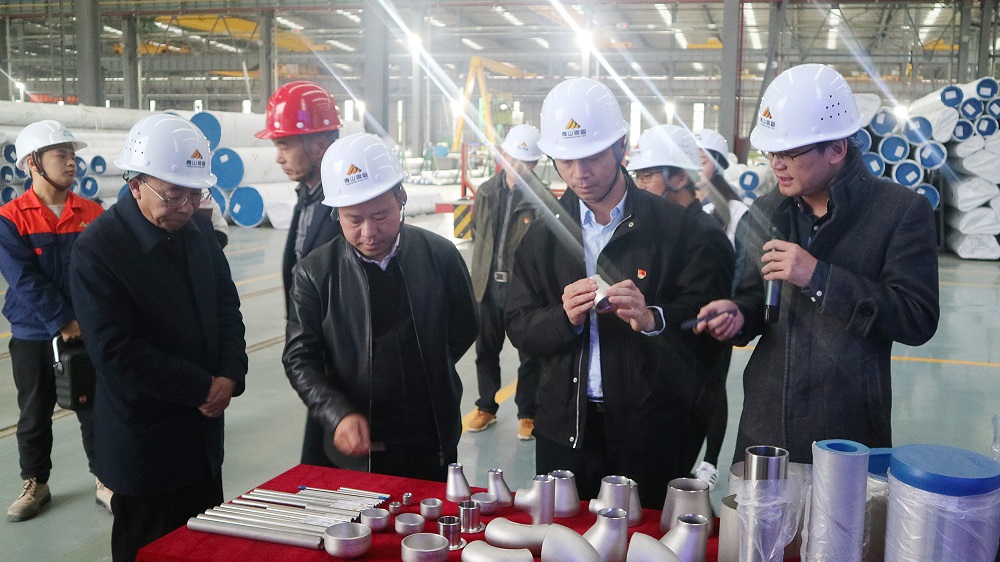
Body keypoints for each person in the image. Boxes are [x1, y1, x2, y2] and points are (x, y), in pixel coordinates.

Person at [504, 78, 733, 508]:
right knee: (561, 535)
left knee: (645, 537)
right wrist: (562, 318)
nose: (580, 174)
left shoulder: (675, 228)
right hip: (564, 432)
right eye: (566, 161)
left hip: (649, 431)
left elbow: (703, 320)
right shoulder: (542, 237)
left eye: (592, 157)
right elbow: (519, 326)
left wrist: (653, 318)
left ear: (620, 147)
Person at [695, 64, 940, 464]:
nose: (776, 164)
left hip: (846, 433)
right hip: (765, 426)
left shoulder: (899, 212)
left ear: (837, 149)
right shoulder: (767, 210)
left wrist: (818, 276)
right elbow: (756, 300)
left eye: (789, 153)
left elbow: (917, 318)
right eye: (771, 152)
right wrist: (737, 315)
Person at [70, 114, 248, 561]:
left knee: (204, 545)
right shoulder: (99, 249)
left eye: (196, 194)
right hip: (145, 444)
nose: (187, 206)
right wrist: (201, 387)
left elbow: (226, 305)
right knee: (149, 550)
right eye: (174, 194)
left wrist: (230, 373)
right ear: (135, 185)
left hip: (202, 437)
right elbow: (115, 350)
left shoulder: (198, 232)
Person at [283, 133, 477, 482]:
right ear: (336, 214)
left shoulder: (441, 256)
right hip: (356, 447)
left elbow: (465, 326)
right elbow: (300, 358)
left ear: (401, 198)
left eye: (380, 215)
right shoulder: (315, 273)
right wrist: (337, 414)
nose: (369, 232)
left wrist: (429, 367)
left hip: (431, 437)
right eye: (354, 220)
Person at [0, 120, 109, 522]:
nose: (71, 162)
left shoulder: (92, 213)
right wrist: (63, 320)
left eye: (72, 154)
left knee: (94, 409)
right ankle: (36, 483)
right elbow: (23, 278)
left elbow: (103, 273)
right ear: (33, 162)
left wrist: (90, 320)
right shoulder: (10, 218)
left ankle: (105, 479)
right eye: (61, 154)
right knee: (33, 412)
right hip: (33, 333)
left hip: (86, 331)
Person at [627, 124, 735, 490]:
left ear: (678, 178)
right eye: (637, 176)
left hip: (682, 395)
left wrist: (651, 317)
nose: (639, 185)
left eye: (647, 176)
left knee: (659, 493)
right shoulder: (658, 230)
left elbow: (699, 319)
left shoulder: (706, 236)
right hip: (649, 388)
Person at [255, 80, 343, 467]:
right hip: (316, 363)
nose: (278, 157)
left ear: (320, 144)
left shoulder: (346, 207)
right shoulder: (308, 196)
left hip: (343, 369)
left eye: (285, 145)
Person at [467, 124, 546, 441]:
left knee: (530, 353)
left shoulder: (540, 200)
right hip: (487, 285)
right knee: (486, 350)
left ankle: (528, 414)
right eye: (514, 158)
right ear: (503, 155)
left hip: (522, 290)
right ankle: (486, 407)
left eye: (526, 161)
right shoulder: (486, 192)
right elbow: (476, 230)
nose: (519, 166)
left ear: (535, 163)